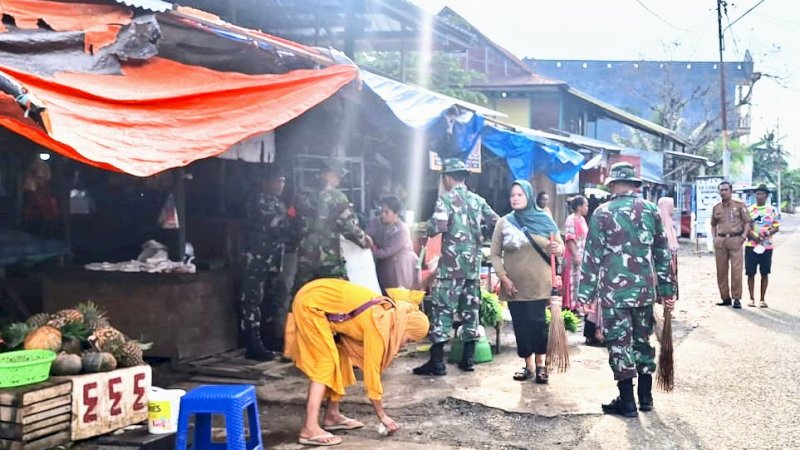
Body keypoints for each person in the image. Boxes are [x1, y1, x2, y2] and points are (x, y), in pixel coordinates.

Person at [578, 162, 675, 417]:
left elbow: (592, 256)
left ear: (612, 185)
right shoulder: (651, 211)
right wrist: (667, 290)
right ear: (634, 185)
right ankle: (646, 398)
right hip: (644, 291)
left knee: (619, 344)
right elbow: (662, 254)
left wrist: (584, 295)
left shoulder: (602, 213)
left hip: (613, 294)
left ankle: (627, 401)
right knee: (642, 342)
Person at [287, 278, 429, 447]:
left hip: (323, 303)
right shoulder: (380, 324)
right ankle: (309, 429)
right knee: (325, 364)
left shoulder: (391, 314)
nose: (405, 344)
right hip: (310, 304)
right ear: (405, 326)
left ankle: (332, 416)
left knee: (341, 359)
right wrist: (382, 416)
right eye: (410, 339)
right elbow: (372, 374)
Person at [413, 158, 499, 376]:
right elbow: (497, 222)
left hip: (451, 268)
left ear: (447, 177)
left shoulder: (446, 199)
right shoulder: (478, 201)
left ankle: (437, 362)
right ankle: (468, 359)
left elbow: (438, 227)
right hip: (472, 267)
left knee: (443, 310)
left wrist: (430, 226)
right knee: (471, 311)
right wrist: (482, 237)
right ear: (464, 177)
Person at [490, 180, 563, 384]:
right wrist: (504, 278)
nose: (515, 198)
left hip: (539, 284)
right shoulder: (504, 223)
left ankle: (541, 366)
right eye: (512, 195)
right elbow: (495, 254)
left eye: (520, 195)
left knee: (538, 324)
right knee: (520, 325)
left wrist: (557, 249)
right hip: (513, 286)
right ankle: (529, 366)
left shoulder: (545, 220)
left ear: (529, 197)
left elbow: (560, 246)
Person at [292, 160, 373, 295]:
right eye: (338, 176)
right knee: (335, 298)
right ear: (329, 174)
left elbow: (293, 222)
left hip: (305, 257)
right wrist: (364, 240)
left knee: (303, 297)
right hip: (328, 260)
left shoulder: (301, 194)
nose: (339, 180)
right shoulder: (337, 197)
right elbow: (349, 228)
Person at [240, 165, 289, 361]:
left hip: (273, 260)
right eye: (278, 180)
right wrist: (289, 219)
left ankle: (268, 339)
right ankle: (253, 344)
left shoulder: (277, 202)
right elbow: (274, 223)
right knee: (252, 300)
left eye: (283, 181)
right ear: (266, 182)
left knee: (273, 297)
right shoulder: (258, 200)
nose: (281, 185)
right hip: (257, 260)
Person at [710, 181, 751, 309]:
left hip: (735, 240)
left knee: (736, 270)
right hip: (721, 241)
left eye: (726, 190)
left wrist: (743, 236)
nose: (723, 192)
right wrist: (714, 238)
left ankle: (736, 298)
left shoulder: (739, 205)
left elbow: (747, 222)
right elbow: (713, 224)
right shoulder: (716, 208)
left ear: (731, 191)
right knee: (721, 271)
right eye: (721, 190)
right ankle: (725, 298)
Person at [366, 196, 419, 291]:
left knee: (399, 299)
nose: (382, 215)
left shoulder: (402, 230)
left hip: (399, 270)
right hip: (384, 270)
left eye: (386, 212)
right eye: (381, 211)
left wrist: (368, 253)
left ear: (396, 213)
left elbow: (387, 252)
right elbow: (366, 235)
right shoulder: (377, 223)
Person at [745, 184, 780, 308]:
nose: (759, 196)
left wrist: (768, 233)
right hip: (751, 245)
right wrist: (753, 236)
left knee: (764, 273)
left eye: (762, 194)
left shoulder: (772, 210)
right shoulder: (749, 209)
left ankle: (762, 299)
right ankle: (751, 298)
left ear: (766, 196)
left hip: (767, 246)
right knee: (750, 273)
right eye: (758, 194)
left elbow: (776, 226)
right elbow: (746, 226)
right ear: (755, 195)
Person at [563, 195, 589, 313]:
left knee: (578, 280)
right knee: (571, 280)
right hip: (572, 255)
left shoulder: (582, 220)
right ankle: (569, 306)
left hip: (581, 254)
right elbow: (570, 238)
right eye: (586, 205)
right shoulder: (571, 219)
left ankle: (577, 305)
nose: (587, 208)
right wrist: (575, 255)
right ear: (579, 207)